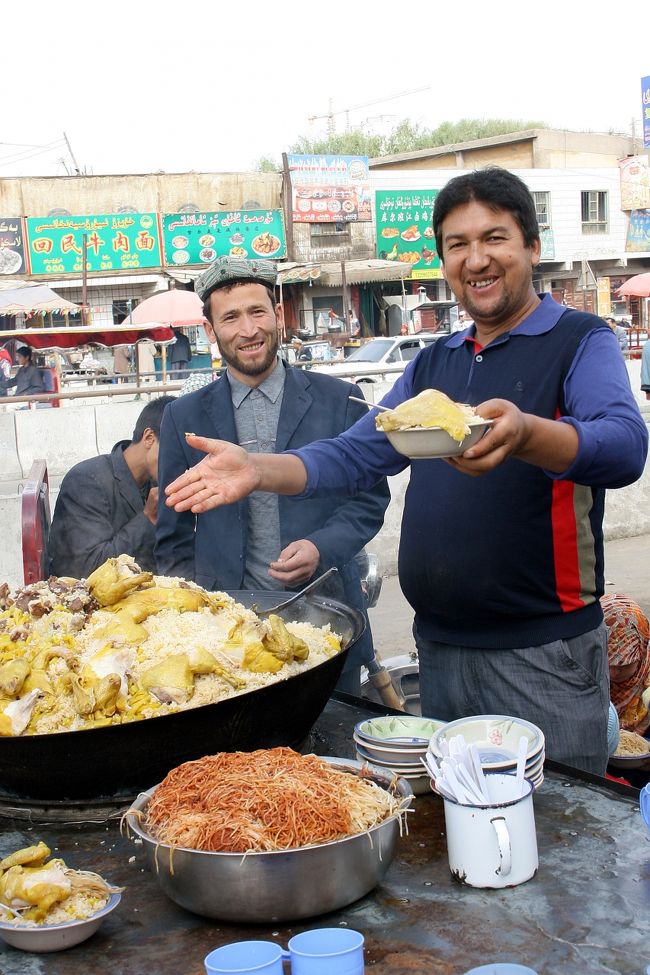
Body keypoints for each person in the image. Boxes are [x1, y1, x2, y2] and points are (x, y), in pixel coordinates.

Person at [163, 169, 648, 774]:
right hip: (439, 650)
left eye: (494, 238)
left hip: (542, 655)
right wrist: (256, 469)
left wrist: (527, 432)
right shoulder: (435, 362)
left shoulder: (581, 340)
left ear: (532, 247)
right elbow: (355, 454)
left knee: (560, 840)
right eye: (456, 245)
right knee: (449, 835)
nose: (476, 260)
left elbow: (626, 446)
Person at [155, 257, 390, 694]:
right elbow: (173, 536)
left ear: (278, 316)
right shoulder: (183, 418)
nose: (248, 330)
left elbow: (369, 500)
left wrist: (321, 546)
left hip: (325, 620)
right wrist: (197, 617)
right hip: (226, 637)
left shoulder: (339, 400)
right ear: (210, 332)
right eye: (230, 317)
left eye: (257, 312)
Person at [48, 396, 176, 579]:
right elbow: (90, 569)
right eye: (175, 451)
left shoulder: (155, 483)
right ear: (149, 438)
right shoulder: (86, 480)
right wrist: (148, 518)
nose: (179, 462)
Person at [601, 593, 650, 735]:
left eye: (624, 665)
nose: (613, 673)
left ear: (642, 651)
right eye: (607, 662)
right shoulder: (580, 670)